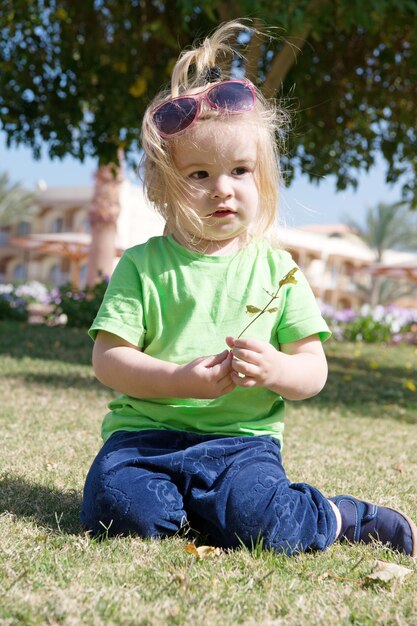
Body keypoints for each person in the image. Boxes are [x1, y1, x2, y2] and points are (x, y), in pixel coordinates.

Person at [81, 21, 416, 557]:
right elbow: (108, 358)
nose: (223, 189)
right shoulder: (142, 266)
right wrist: (176, 378)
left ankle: (340, 515)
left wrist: (277, 370)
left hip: (242, 445)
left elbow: (313, 371)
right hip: (143, 440)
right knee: (119, 513)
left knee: (266, 523)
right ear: (164, 189)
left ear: (263, 179)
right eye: (198, 175)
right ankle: (187, 509)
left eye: (240, 170)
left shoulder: (278, 271)